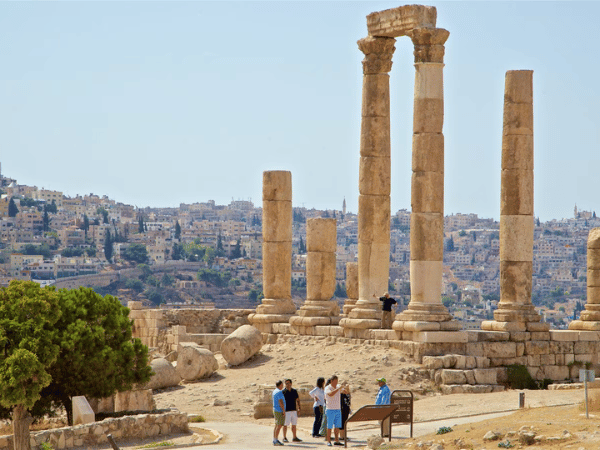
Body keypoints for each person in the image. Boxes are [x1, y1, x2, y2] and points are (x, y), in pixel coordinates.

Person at [324, 375, 345, 446]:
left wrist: (346, 388)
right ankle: (328, 441)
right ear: (331, 381)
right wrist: (338, 389)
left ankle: (337, 440)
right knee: (329, 426)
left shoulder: (338, 386)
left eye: (337, 381)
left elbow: (345, 392)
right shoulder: (327, 388)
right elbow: (330, 394)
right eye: (335, 381)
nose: (336, 383)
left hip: (338, 409)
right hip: (330, 409)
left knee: (337, 426)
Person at [272, 380, 286, 446]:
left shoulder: (274, 391)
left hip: (275, 409)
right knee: (279, 425)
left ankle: (275, 439)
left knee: (276, 425)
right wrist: (283, 411)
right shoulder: (279, 392)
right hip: (279, 410)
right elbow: (281, 402)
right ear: (280, 385)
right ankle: (276, 440)